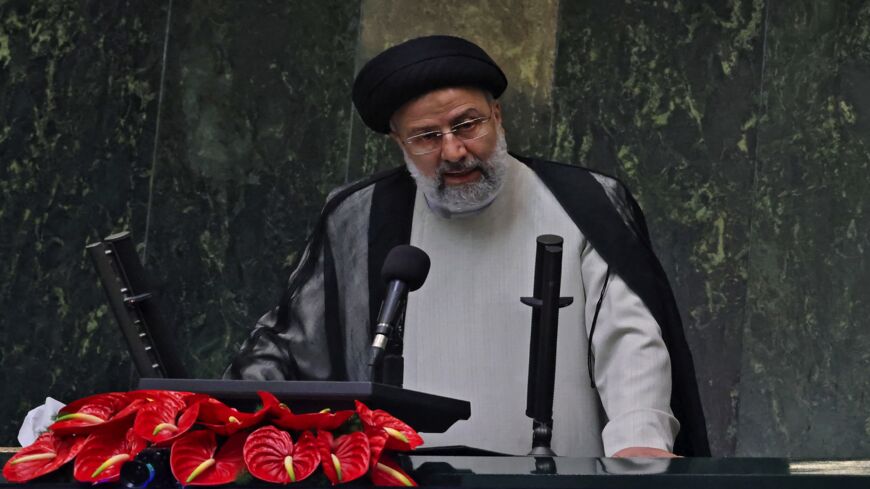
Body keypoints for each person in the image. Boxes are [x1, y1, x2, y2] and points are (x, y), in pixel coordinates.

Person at [225, 35, 709, 458]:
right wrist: (213, 422)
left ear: (497, 115)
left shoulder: (583, 200)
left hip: (560, 476)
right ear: (398, 141)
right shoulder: (362, 214)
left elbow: (628, 341)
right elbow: (293, 343)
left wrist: (638, 445)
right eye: (427, 137)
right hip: (406, 477)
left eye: (467, 125)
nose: (454, 151)